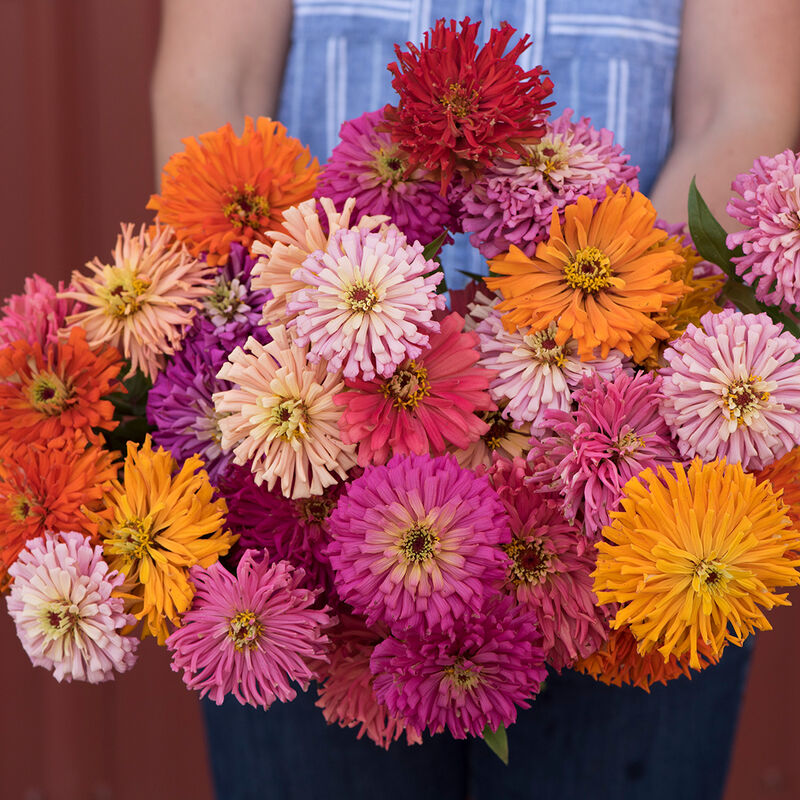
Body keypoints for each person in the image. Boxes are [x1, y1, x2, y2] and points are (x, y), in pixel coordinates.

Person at [150, 2, 800, 798]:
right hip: (311, 440)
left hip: (625, 457)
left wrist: (613, 344)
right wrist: (298, 349)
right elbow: (211, 87)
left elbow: (741, 104)